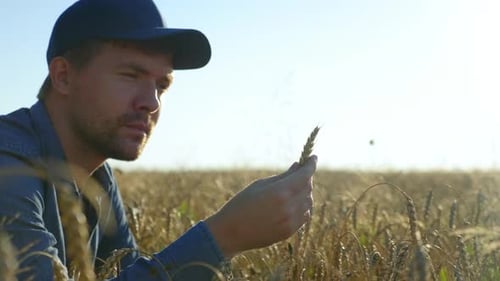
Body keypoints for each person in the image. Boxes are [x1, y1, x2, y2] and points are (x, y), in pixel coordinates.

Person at [0, 0, 317, 280]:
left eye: (162, 85)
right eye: (130, 76)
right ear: (63, 76)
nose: (151, 102)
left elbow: (125, 268)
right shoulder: (8, 169)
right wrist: (223, 237)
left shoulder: (96, 172)